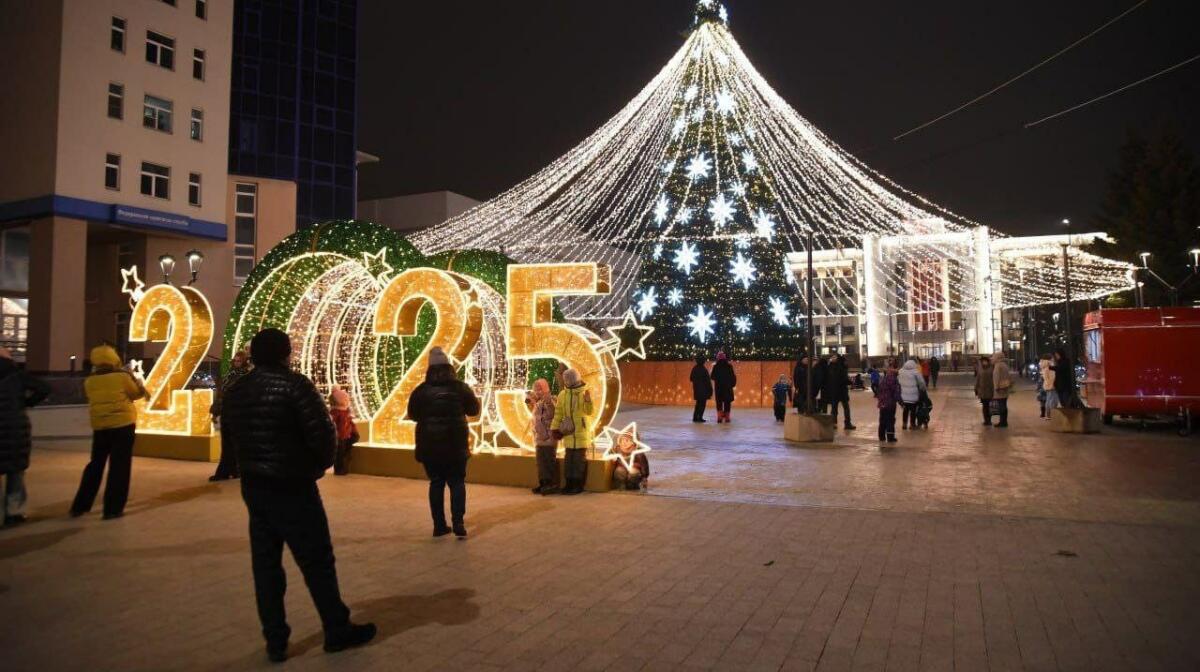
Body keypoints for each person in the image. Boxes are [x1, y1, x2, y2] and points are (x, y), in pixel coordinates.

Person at [220, 329, 375, 663]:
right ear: (285, 354)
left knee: (266, 566)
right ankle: (336, 629)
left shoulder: (237, 391)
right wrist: (315, 468)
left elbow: (230, 436)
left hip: (256, 488)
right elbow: (324, 437)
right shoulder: (295, 386)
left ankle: (275, 641)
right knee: (317, 560)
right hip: (294, 487)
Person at [408, 347, 480, 535]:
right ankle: (458, 523)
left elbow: (413, 415)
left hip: (430, 446)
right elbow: (473, 410)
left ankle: (439, 525)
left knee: (436, 483)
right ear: (449, 366)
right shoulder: (460, 388)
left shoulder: (421, 391)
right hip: (456, 445)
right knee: (457, 482)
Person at [71, 344, 147, 520]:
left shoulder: (90, 381)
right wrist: (138, 382)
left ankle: (80, 505)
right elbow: (136, 394)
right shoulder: (121, 376)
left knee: (95, 465)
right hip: (123, 426)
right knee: (119, 467)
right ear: (114, 358)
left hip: (100, 427)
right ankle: (112, 509)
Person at [0, 348, 51, 526]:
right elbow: (45, 388)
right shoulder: (17, 375)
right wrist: (28, 402)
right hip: (14, 428)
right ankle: (13, 513)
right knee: (15, 472)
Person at [209, 350, 251, 482]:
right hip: (228, 411)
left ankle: (230, 470)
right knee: (227, 443)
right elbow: (222, 393)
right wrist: (215, 410)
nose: (237, 363)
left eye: (239, 361)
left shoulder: (246, 376)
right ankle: (230, 470)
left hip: (239, 413)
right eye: (236, 360)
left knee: (234, 444)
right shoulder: (230, 375)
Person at [552, 368, 594, 495]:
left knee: (578, 460)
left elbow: (589, 412)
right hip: (568, 432)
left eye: (569, 379)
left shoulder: (584, 393)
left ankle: (577, 485)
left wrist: (588, 401)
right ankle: (569, 484)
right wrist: (555, 428)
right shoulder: (563, 395)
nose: (567, 381)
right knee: (569, 459)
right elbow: (558, 413)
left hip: (581, 433)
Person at [525, 378, 559, 495]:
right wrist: (533, 403)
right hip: (539, 438)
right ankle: (543, 483)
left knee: (549, 461)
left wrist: (548, 402)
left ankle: (551, 484)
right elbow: (536, 418)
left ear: (545, 389)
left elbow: (551, 414)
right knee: (540, 462)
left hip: (549, 437)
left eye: (540, 389)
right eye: (536, 389)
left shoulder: (551, 400)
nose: (537, 391)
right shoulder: (538, 402)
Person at [328, 386, 357, 475]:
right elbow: (335, 424)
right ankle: (339, 469)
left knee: (342, 452)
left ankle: (342, 468)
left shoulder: (345, 412)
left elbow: (349, 423)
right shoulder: (336, 413)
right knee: (340, 453)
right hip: (340, 435)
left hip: (345, 434)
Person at [822, 354, 855, 430]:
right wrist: (850, 382)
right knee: (836, 408)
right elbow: (843, 379)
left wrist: (849, 381)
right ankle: (836, 423)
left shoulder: (838, 367)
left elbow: (843, 378)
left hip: (839, 391)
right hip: (836, 390)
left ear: (838, 358)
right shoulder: (831, 367)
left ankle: (844, 423)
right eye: (832, 357)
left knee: (842, 407)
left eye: (834, 357)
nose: (832, 358)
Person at [897, 359, 926, 430]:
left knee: (905, 410)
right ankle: (912, 424)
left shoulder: (901, 371)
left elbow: (898, 380)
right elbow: (921, 382)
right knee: (913, 410)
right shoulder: (915, 372)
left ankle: (904, 424)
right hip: (913, 396)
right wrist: (923, 389)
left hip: (903, 396)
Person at [876, 359, 900, 443]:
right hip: (890, 403)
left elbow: (878, 391)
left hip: (882, 403)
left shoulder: (883, 378)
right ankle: (890, 437)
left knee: (882, 420)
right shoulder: (893, 379)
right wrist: (900, 401)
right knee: (890, 420)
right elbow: (895, 392)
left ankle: (881, 436)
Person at [710, 352, 737, 423]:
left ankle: (719, 418)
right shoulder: (729, 366)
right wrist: (732, 384)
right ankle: (727, 418)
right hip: (727, 388)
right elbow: (733, 376)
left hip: (718, 388)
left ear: (718, 358)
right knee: (727, 402)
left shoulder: (715, 366)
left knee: (719, 402)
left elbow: (712, 376)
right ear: (725, 358)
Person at [689, 355, 712, 423]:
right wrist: (710, 390)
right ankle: (700, 417)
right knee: (702, 404)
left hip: (696, 389)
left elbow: (691, 378)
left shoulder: (694, 368)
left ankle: (695, 417)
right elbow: (707, 381)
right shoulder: (704, 369)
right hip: (704, 390)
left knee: (698, 404)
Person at [992, 355, 1013, 428]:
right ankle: (1004, 421)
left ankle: (1002, 422)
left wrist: (996, 387)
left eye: (993, 357)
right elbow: (1009, 376)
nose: (992, 358)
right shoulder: (1005, 365)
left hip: (1000, 388)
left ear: (997, 358)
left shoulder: (998, 366)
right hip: (1005, 387)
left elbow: (996, 377)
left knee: (1001, 406)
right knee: (1004, 404)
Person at [975, 356, 995, 426]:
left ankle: (989, 420)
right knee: (984, 406)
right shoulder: (980, 369)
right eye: (982, 361)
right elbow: (978, 379)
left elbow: (994, 378)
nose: (984, 362)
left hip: (990, 390)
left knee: (989, 406)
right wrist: (976, 388)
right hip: (982, 390)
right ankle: (986, 420)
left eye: (985, 361)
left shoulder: (992, 368)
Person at [1038, 354, 1057, 419]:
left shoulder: (1043, 365)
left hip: (1047, 384)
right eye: (1052, 358)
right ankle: (1050, 414)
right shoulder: (1049, 365)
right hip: (1051, 384)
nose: (1053, 359)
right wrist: (1054, 384)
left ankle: (1047, 414)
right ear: (1050, 359)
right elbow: (1052, 376)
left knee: (1048, 399)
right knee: (1052, 400)